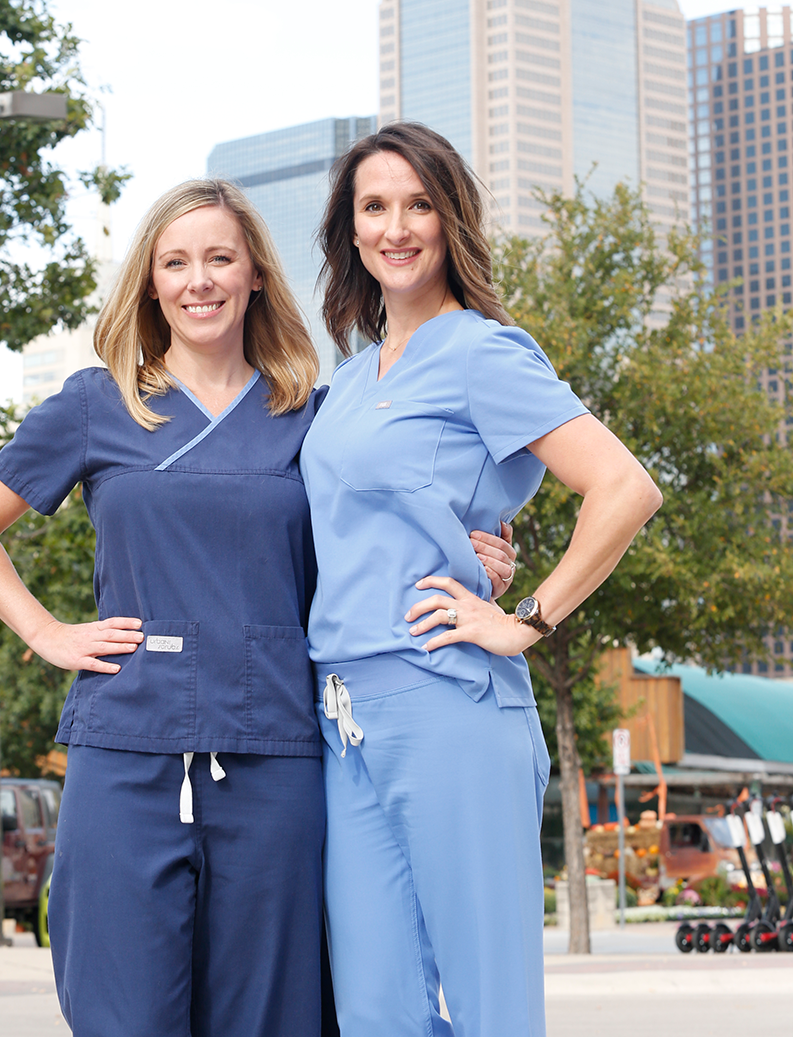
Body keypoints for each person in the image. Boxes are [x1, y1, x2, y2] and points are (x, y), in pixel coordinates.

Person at [0, 177, 517, 1037]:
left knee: (274, 1014)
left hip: (275, 757)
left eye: (219, 258)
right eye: (175, 262)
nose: (197, 279)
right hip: (126, 749)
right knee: (120, 1013)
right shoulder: (98, 404)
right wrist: (44, 630)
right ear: (151, 282)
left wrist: (475, 559)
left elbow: (377, 530)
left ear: (254, 277)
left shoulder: (311, 421)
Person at [300, 122, 663, 1037]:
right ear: (350, 230)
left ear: (450, 216)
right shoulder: (343, 382)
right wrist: (466, 540)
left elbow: (624, 487)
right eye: (374, 206)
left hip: (448, 703)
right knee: (376, 1009)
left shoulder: (484, 352)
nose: (396, 226)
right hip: (343, 718)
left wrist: (526, 619)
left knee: (490, 1004)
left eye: (419, 203)